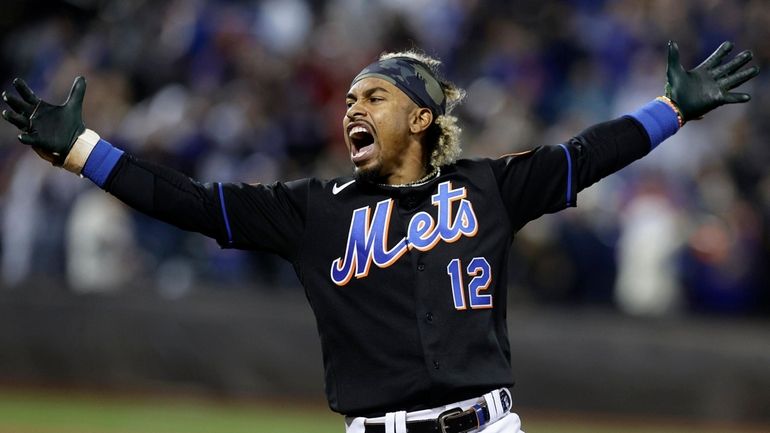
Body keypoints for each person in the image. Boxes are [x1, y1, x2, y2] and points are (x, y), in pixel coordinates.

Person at [2, 41, 759, 433]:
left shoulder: (487, 187)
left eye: (375, 95)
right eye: (349, 98)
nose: (351, 108)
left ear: (422, 118)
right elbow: (191, 203)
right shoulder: (312, 210)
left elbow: (588, 155)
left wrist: (673, 109)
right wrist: (82, 151)